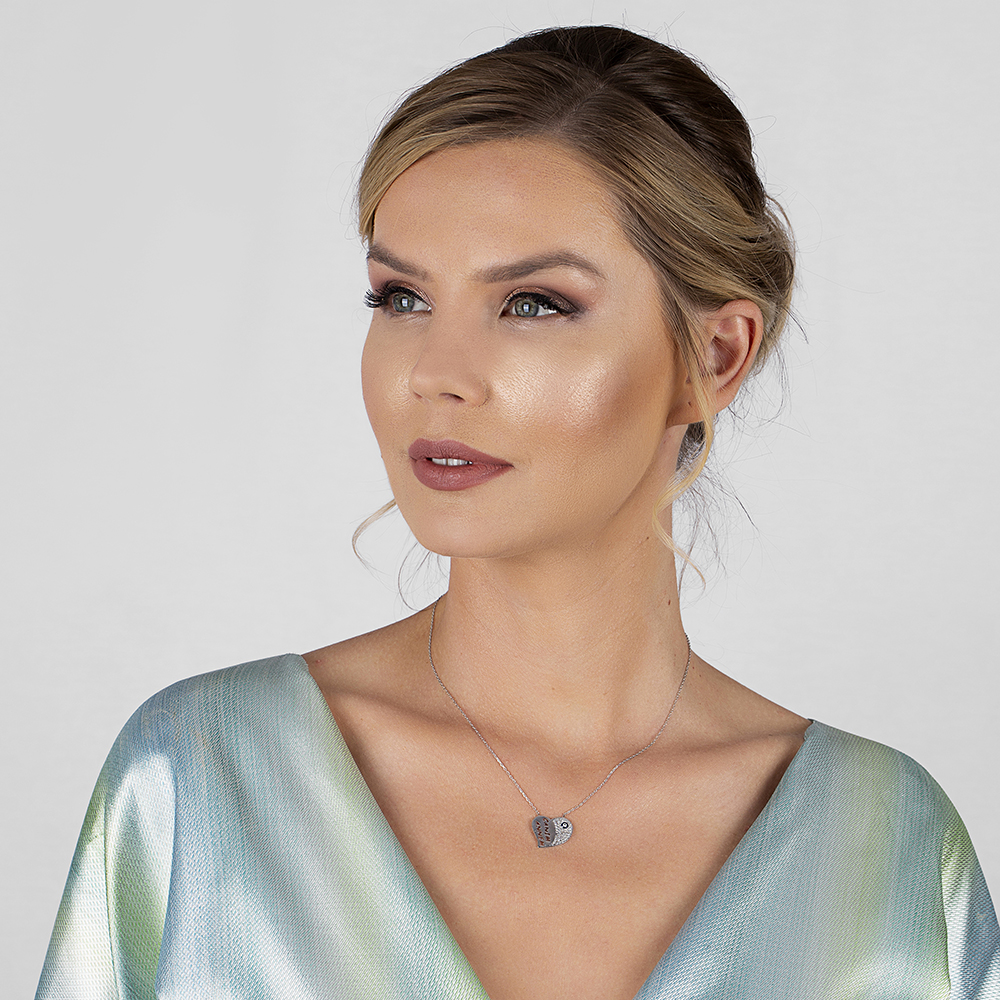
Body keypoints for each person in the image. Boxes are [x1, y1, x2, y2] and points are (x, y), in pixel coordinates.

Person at [35, 25, 999, 1000]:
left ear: (714, 357)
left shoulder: (881, 855)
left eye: (533, 303)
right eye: (400, 298)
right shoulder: (201, 784)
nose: (435, 374)